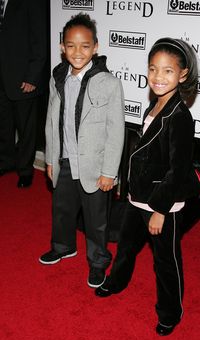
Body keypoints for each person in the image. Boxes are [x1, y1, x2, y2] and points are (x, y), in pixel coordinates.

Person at [95, 37, 200, 336]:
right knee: (126, 247)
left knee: (165, 261)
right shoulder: (154, 106)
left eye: (168, 71)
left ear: (183, 74)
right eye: (153, 69)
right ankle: (116, 282)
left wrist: (160, 211)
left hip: (162, 204)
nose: (158, 77)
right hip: (137, 198)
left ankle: (171, 312)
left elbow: (177, 171)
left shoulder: (180, 117)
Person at [39, 13, 125, 289]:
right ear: (62, 47)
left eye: (85, 45)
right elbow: (52, 121)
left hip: (94, 167)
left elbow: (116, 132)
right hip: (64, 160)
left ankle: (98, 261)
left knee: (95, 220)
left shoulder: (109, 83)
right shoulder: (58, 77)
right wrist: (51, 158)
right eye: (71, 45)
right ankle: (63, 246)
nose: (78, 52)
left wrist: (109, 171)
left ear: (96, 47)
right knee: (61, 210)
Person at [0, 0, 47, 187]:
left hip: (23, 78)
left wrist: (33, 77)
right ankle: (6, 161)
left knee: (26, 127)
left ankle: (25, 170)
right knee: (4, 123)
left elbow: (40, 38)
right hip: (1, 76)